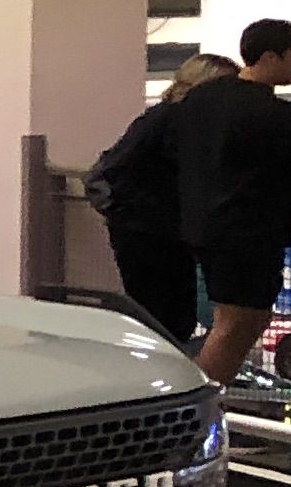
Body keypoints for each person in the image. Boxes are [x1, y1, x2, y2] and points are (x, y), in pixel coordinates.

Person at [172, 16, 291, 383]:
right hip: (250, 232)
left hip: (203, 225)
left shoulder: (202, 99)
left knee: (230, 321)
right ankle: (201, 407)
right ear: (269, 57)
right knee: (237, 324)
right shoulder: (278, 115)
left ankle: (204, 402)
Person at [92, 52, 230, 346]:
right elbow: (117, 167)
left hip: (154, 229)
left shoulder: (165, 116)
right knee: (164, 315)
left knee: (165, 313)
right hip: (151, 231)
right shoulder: (171, 120)